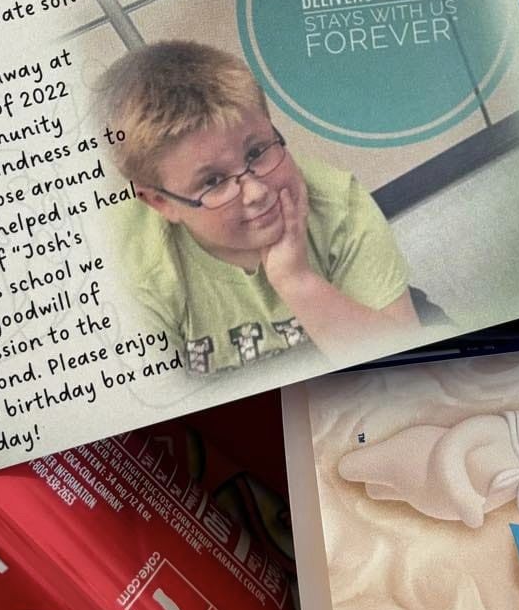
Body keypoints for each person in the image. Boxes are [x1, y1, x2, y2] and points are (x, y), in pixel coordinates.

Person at [96, 39, 418, 376]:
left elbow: (405, 370)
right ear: (161, 202)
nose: (256, 192)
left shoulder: (338, 204)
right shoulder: (129, 271)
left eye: (256, 152)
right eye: (213, 181)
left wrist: (296, 280)